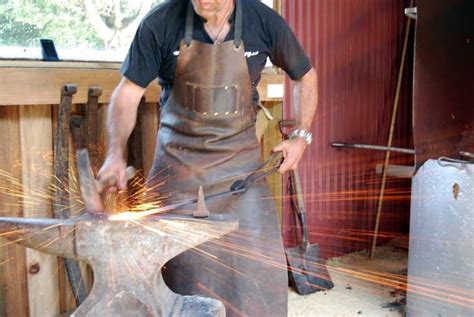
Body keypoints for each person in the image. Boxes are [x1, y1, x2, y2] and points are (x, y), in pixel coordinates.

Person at [98, 0, 318, 315]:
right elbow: (128, 92)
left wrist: (301, 136)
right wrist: (115, 154)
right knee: (177, 282)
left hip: (241, 177)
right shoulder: (160, 22)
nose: (203, 1)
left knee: (258, 278)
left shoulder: (264, 21)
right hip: (179, 175)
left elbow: (305, 76)